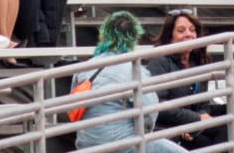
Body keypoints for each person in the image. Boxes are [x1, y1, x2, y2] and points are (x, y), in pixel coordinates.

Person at [71, 10, 186, 153]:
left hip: (85, 144)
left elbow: (74, 107)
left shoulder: (84, 69)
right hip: (124, 144)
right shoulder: (134, 69)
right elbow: (150, 112)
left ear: (104, 35)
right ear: (134, 37)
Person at [147, 10, 229, 150]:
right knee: (209, 140)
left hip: (191, 125)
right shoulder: (159, 61)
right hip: (167, 128)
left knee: (227, 124)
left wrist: (199, 117)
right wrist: (193, 120)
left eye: (192, 30)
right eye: (181, 30)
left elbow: (203, 102)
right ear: (170, 36)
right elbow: (159, 107)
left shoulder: (198, 61)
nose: (188, 34)